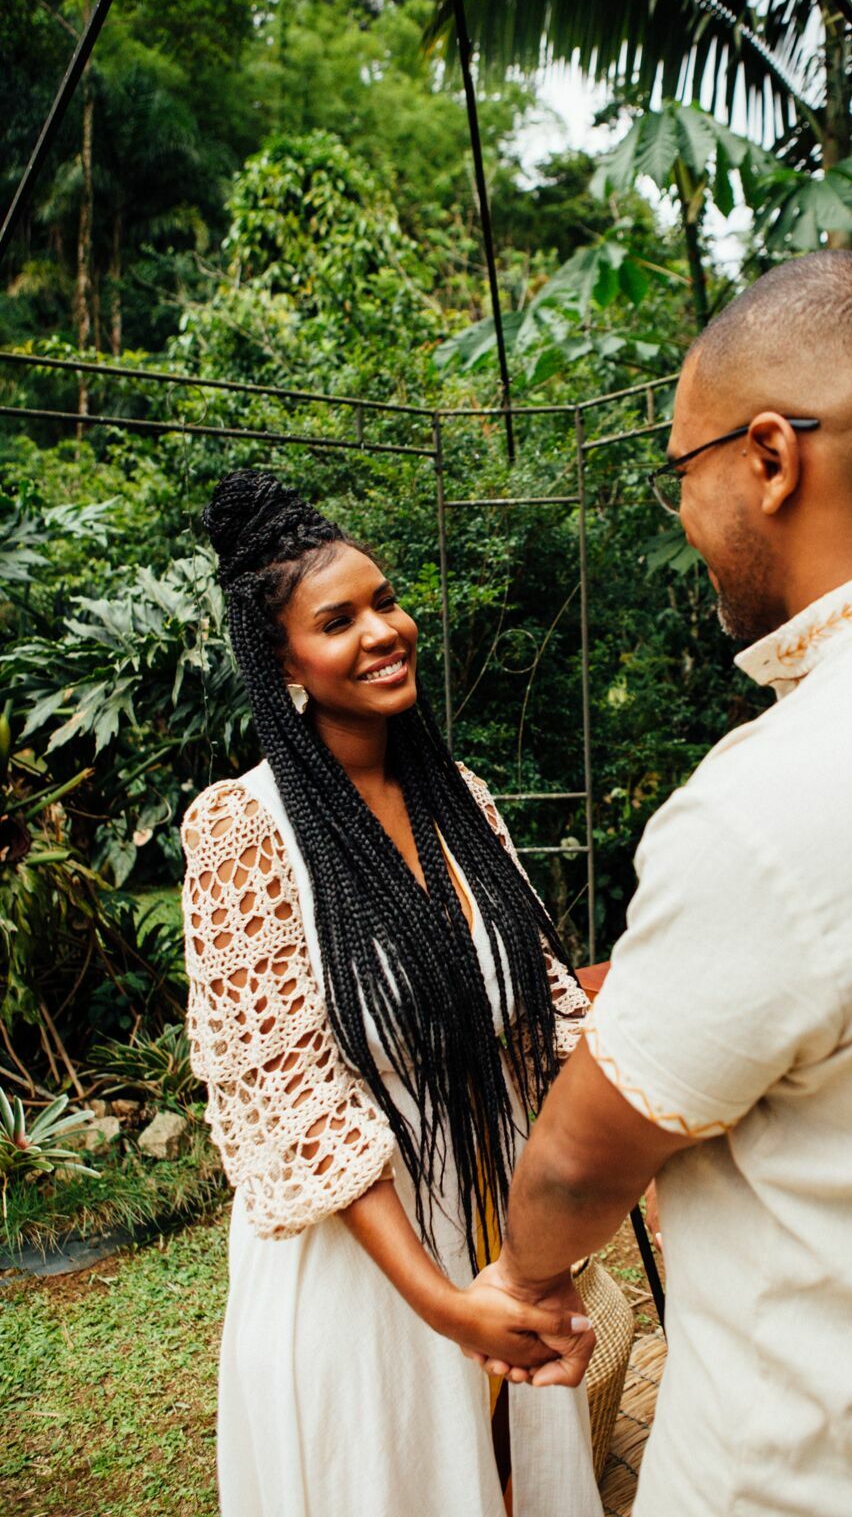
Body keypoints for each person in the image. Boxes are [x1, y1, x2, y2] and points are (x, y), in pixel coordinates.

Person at [473, 250, 852, 1515]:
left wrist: (524, 1279)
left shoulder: (766, 799)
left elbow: (578, 1163)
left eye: (679, 471)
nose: (679, 515)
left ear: (768, 458)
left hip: (818, 1477)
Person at [180, 469, 601, 1517]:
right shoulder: (245, 832)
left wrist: (539, 1256)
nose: (383, 631)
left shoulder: (462, 801)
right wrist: (443, 1305)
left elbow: (548, 1019)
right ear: (283, 661)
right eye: (338, 621)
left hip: (497, 1235)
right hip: (369, 1284)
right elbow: (298, 1104)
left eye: (386, 601)